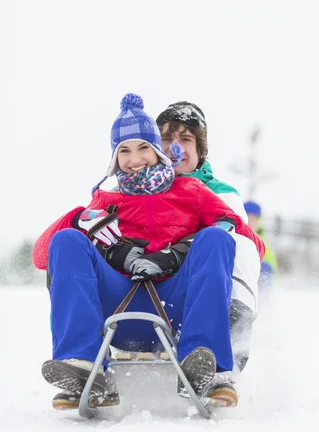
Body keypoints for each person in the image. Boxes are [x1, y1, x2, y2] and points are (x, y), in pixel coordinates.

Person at [33, 93, 265, 411]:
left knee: (218, 238)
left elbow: (247, 239)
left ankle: (205, 366)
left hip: (175, 308)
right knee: (67, 240)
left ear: (157, 151)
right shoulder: (106, 199)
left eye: (143, 147)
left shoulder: (193, 192)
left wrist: (181, 250)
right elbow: (41, 255)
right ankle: (84, 365)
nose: (135, 158)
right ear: (115, 159)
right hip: (120, 303)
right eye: (124, 150)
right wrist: (80, 221)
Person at [156, 102, 262, 369]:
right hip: (147, 292)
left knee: (238, 244)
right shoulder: (136, 189)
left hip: (200, 293)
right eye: (166, 138)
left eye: (185, 139)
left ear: (200, 150)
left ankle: (227, 350)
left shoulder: (220, 193)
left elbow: (238, 232)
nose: (174, 146)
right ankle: (83, 356)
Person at [243, 200, 278, 287]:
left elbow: (274, 275)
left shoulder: (266, 247)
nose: (250, 221)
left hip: (255, 288)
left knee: (266, 267)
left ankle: (262, 300)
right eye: (247, 216)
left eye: (254, 218)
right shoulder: (232, 238)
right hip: (237, 281)